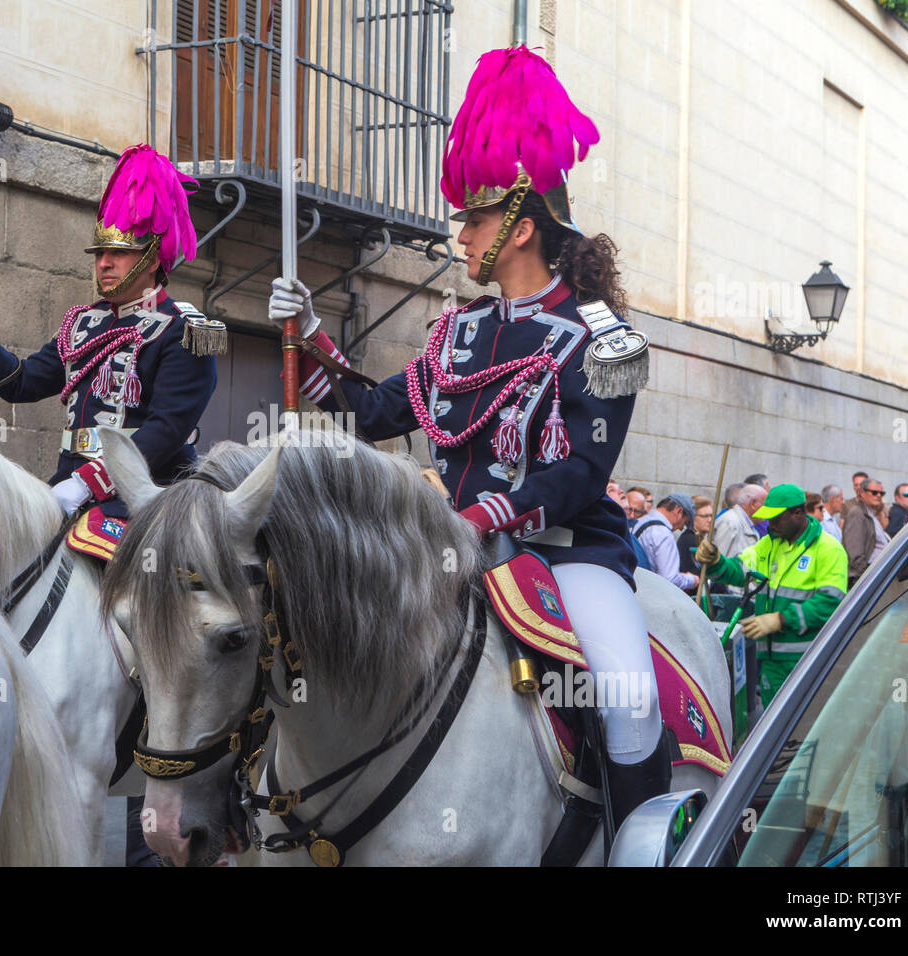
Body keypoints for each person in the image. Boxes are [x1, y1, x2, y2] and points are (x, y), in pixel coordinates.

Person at [268, 44, 669, 828]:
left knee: (627, 693)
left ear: (521, 227)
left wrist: (479, 519)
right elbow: (373, 413)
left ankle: (642, 843)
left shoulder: (604, 336)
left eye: (475, 220)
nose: (462, 236)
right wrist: (308, 337)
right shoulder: (459, 330)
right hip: (450, 549)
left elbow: (581, 475)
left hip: (567, 554)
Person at [0, 145, 220, 519]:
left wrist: (89, 484)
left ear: (151, 259)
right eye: (99, 253)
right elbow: (22, 382)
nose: (104, 263)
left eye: (119, 253)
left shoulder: (184, 330)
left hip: (147, 498)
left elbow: (165, 431)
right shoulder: (85, 322)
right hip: (68, 487)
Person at [694, 484, 847, 705]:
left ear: (797, 513)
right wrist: (717, 562)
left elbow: (830, 603)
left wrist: (781, 619)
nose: (770, 524)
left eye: (777, 518)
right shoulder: (769, 544)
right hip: (770, 661)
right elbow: (739, 572)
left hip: (808, 661)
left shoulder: (828, 550)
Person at [633, 494, 697, 592]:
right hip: (647, 593)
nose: (680, 529)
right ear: (678, 511)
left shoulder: (638, 522)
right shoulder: (664, 534)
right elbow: (670, 579)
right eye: (685, 523)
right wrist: (692, 580)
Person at [842, 478, 889, 586]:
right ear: (862, 493)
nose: (878, 496)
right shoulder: (857, 514)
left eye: (882, 493)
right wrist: (865, 577)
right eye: (874, 492)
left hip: (874, 576)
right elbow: (855, 552)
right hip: (864, 579)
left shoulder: (871, 515)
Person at [711, 483, 765, 559]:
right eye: (764, 504)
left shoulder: (747, 525)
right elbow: (719, 562)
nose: (767, 509)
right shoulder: (730, 522)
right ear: (753, 504)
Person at [677, 495, 712, 577]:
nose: (710, 520)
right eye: (705, 516)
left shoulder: (701, 538)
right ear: (692, 517)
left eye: (711, 515)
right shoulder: (689, 540)